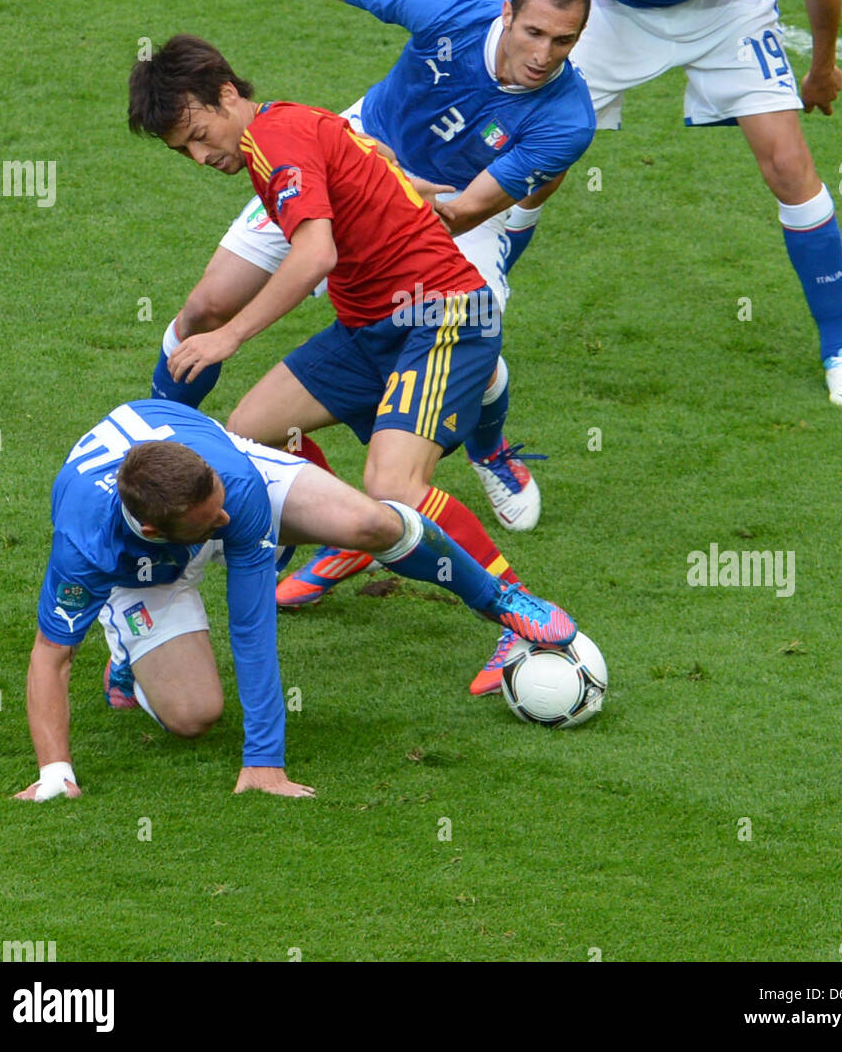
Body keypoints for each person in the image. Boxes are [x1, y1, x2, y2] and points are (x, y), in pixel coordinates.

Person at [125, 37, 578, 694]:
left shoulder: (273, 140)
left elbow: (314, 258)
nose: (200, 157)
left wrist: (230, 338)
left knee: (395, 487)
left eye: (198, 135)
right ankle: (348, 529)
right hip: (370, 328)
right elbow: (376, 156)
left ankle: (517, 611)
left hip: (441, 313)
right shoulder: (282, 127)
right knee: (250, 433)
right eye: (183, 151)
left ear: (226, 94)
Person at [111, 0, 596, 552]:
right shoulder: (449, 9)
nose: (543, 55)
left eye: (564, 42)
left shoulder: (568, 120)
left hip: (453, 205)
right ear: (505, 12)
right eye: (533, 33)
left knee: (457, 330)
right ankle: (154, 443)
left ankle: (486, 440)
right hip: (354, 147)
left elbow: (461, 210)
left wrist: (372, 190)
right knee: (208, 307)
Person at [480, 0, 842, 409]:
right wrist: (488, 77)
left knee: (789, 166)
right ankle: (470, 301)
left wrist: (822, 69)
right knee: (538, 169)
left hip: (724, 6)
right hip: (610, 9)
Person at [15, 400, 577, 804]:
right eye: (213, 522)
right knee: (194, 718)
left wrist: (264, 758)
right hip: (143, 573)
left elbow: (253, 625)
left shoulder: (232, 487)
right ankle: (130, 660)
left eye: (220, 506)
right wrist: (54, 771)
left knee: (369, 520)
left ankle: (500, 598)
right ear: (158, 530)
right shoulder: (86, 547)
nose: (226, 521)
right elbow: (52, 656)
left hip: (228, 480)